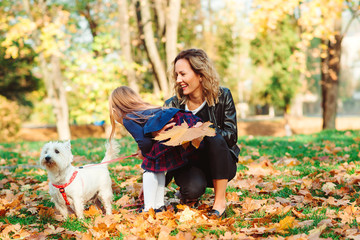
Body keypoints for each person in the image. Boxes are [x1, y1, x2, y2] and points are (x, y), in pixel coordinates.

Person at [161, 48, 240, 218]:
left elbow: (231, 136)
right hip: (189, 164)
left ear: (200, 75)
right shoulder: (172, 105)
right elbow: (163, 147)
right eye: (176, 75)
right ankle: (188, 195)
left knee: (213, 135)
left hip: (220, 163)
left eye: (183, 74)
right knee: (192, 190)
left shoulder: (223, 96)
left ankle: (220, 202)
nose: (178, 80)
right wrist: (157, 185)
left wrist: (201, 129)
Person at [108, 86, 204, 212]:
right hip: (182, 124)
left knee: (149, 168)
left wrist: (144, 153)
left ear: (115, 110)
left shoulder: (128, 118)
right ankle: (159, 206)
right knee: (158, 168)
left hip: (172, 131)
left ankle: (149, 208)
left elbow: (144, 142)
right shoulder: (147, 110)